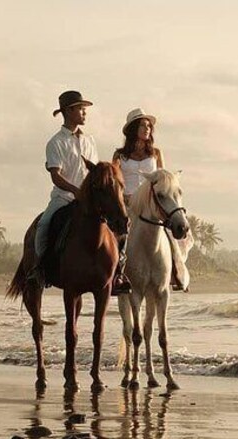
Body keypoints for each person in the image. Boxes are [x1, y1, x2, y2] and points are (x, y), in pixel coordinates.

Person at [30, 90, 130, 295]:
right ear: (69, 111)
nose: (85, 113)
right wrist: (76, 191)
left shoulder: (89, 141)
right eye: (81, 109)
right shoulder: (55, 142)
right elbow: (56, 176)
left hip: (90, 199)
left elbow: (94, 173)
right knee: (43, 225)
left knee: (114, 225)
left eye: (85, 109)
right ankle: (39, 268)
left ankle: (117, 272)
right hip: (63, 198)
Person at [112, 108, 189, 291]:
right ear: (133, 129)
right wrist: (124, 197)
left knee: (169, 233)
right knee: (115, 237)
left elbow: (164, 180)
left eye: (149, 126)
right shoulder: (119, 155)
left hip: (150, 205)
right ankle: (116, 276)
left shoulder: (156, 153)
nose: (147, 129)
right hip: (128, 204)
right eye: (142, 125)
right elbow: (115, 181)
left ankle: (177, 274)